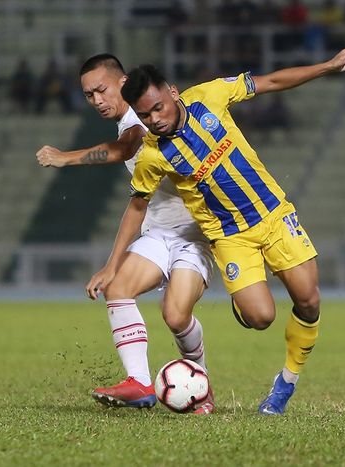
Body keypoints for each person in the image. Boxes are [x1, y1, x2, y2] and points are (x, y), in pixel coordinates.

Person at [87, 47, 345, 415]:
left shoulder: (210, 96)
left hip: (274, 215)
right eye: (146, 115)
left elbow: (273, 81)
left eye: (158, 108)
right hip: (230, 238)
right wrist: (112, 263)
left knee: (309, 301)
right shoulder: (153, 155)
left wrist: (328, 66)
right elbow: (137, 207)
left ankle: (285, 384)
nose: (155, 120)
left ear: (173, 92)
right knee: (260, 318)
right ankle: (243, 301)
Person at [36, 54, 216, 414]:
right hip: (158, 233)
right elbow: (136, 201)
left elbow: (125, 149)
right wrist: (110, 266)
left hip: (195, 235)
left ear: (122, 83)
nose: (97, 100)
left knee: (176, 317)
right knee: (118, 288)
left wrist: (64, 158)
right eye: (89, 95)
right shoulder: (130, 120)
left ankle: (202, 384)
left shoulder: (142, 114)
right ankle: (140, 384)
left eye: (101, 90)